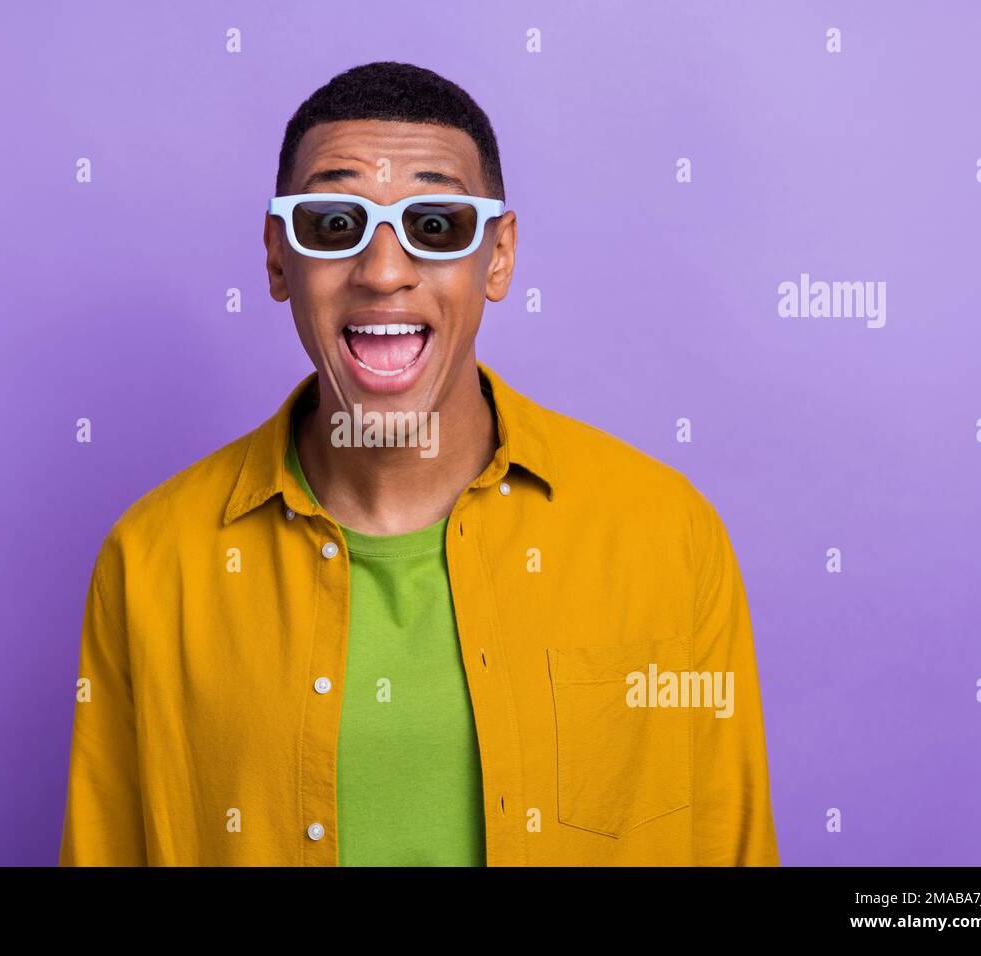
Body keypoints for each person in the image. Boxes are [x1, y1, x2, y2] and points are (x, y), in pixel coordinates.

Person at [59, 61, 780, 866]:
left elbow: (732, 842)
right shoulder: (154, 560)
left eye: (436, 225)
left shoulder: (665, 535)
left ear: (498, 257)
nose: (383, 270)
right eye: (335, 224)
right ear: (275, 255)